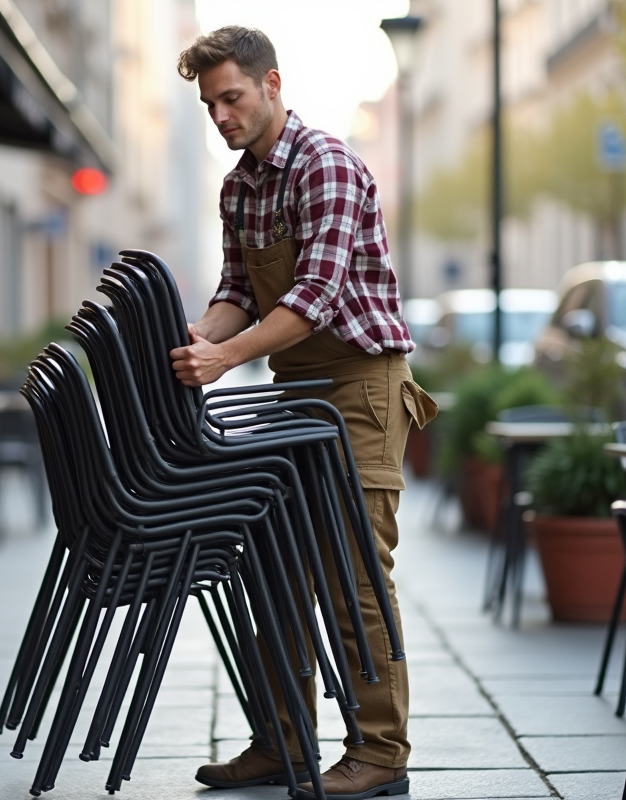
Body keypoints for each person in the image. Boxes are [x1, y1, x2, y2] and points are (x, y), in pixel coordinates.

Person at [172, 25, 437, 800]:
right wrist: (197, 338)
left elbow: (312, 299)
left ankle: (381, 750)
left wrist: (225, 358)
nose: (221, 115)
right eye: (209, 104)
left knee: (353, 575)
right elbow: (237, 293)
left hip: (360, 385)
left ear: (272, 85)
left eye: (233, 97)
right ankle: (280, 737)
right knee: (275, 566)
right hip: (296, 390)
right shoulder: (238, 187)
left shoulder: (325, 166)